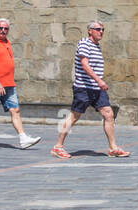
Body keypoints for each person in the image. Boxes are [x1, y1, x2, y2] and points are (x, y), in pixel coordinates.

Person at [50, 21, 130, 159]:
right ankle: (58, 147)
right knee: (74, 116)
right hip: (84, 88)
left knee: (108, 114)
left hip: (96, 89)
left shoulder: (96, 46)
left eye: (103, 29)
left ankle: (113, 148)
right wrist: (99, 80)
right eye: (98, 29)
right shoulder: (84, 44)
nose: (101, 32)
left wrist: (98, 83)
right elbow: (84, 65)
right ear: (90, 31)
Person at [0, 18, 41, 149]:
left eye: (5, 29)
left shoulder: (7, 42)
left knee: (15, 110)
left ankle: (23, 138)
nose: (3, 31)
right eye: (0, 28)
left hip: (9, 84)